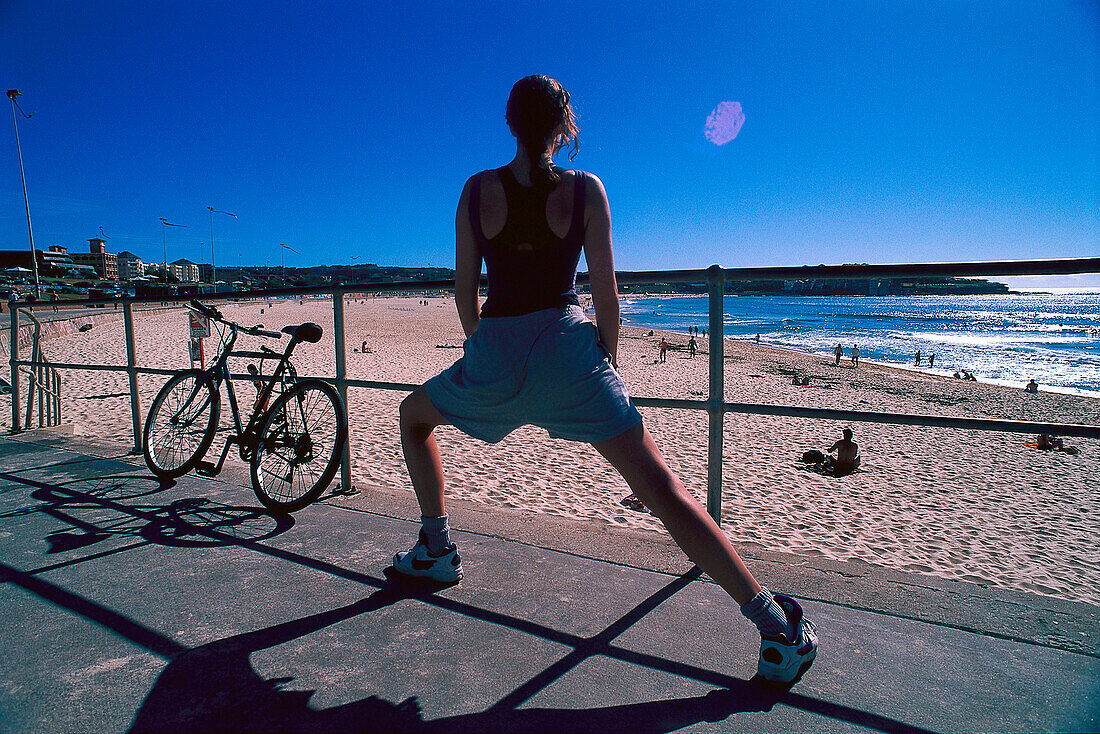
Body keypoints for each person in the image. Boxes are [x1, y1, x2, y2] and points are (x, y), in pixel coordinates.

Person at [392, 75, 816, 685]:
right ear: (565, 126)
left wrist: (482, 351)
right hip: (569, 350)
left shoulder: (476, 189)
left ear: (509, 123)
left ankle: (435, 548)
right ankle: (776, 629)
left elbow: (466, 289)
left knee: (414, 418)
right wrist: (605, 361)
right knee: (663, 490)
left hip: (497, 348)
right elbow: (607, 292)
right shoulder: (587, 189)